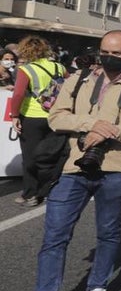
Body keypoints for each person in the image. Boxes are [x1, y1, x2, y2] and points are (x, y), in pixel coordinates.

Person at [8, 31, 121, 291]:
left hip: (115, 169)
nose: (108, 57)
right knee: (55, 236)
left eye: (115, 52)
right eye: (103, 51)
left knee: (109, 231)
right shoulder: (79, 79)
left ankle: (97, 286)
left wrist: (114, 130)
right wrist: (90, 125)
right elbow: (56, 117)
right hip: (73, 167)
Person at [11, 36, 68, 206]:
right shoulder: (59, 66)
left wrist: (14, 116)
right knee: (51, 154)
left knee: (30, 156)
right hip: (55, 116)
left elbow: (19, 94)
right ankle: (47, 188)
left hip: (32, 117)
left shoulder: (26, 69)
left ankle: (30, 193)